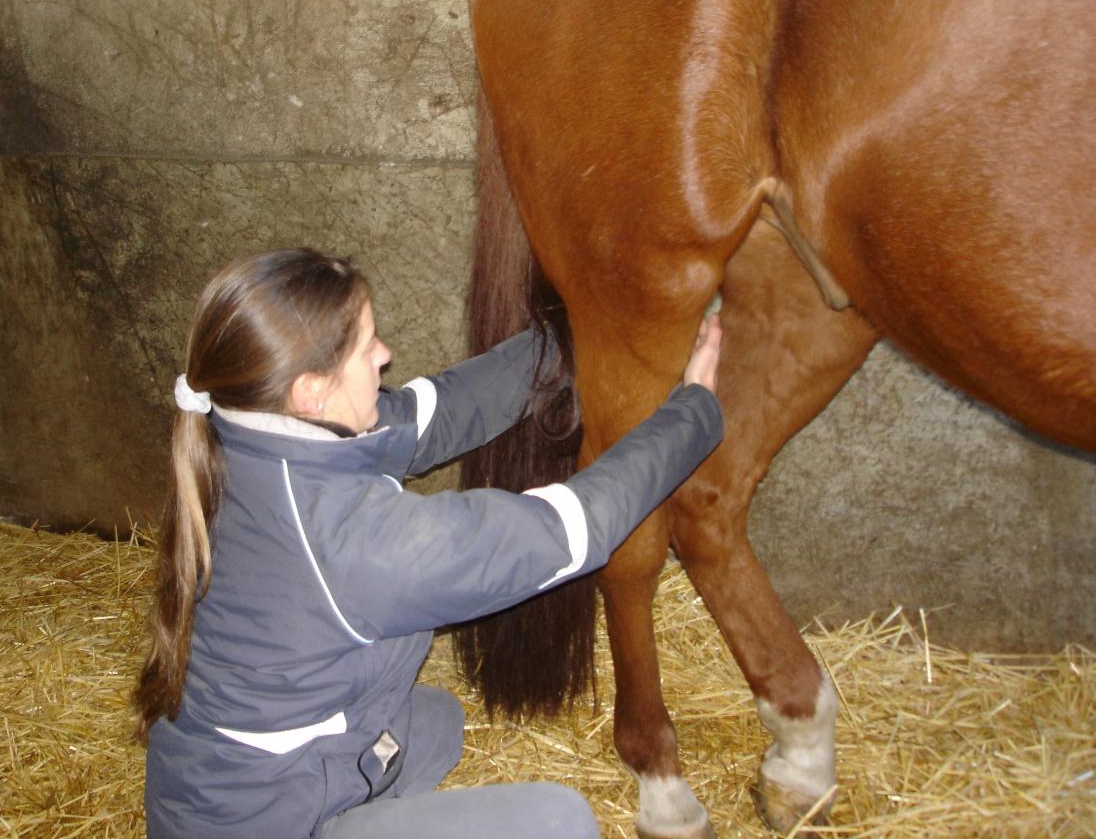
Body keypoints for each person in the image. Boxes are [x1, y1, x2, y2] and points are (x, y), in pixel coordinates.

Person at [134, 248, 724, 839]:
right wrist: (694, 408)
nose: (385, 355)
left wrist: (577, 328)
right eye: (367, 347)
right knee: (558, 820)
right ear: (310, 391)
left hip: (224, 784)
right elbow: (570, 530)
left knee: (434, 723)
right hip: (264, 822)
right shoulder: (354, 541)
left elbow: (439, 412)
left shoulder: (245, 430)